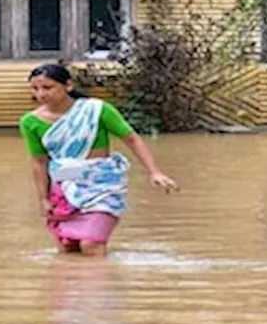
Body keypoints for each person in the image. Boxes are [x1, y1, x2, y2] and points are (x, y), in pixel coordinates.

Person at [19, 63, 178, 255]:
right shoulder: (30, 122)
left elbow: (131, 138)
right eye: (35, 89)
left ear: (68, 86)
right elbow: (39, 161)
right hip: (64, 189)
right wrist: (43, 199)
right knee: (68, 248)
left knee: (91, 245)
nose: (41, 94)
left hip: (101, 186)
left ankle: (99, 282)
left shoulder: (96, 110)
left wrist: (154, 172)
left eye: (48, 87)